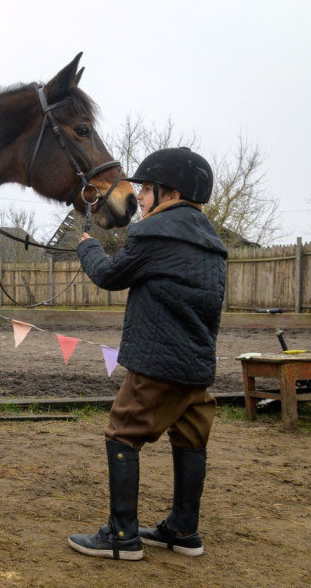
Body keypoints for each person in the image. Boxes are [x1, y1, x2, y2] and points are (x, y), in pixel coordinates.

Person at [67, 147, 227, 561]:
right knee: (191, 438)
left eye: (146, 189)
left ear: (169, 193)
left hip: (157, 365)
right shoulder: (211, 242)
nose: (140, 197)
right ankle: (183, 530)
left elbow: (107, 276)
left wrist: (88, 247)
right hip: (196, 367)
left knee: (122, 433)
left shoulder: (154, 234)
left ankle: (122, 537)